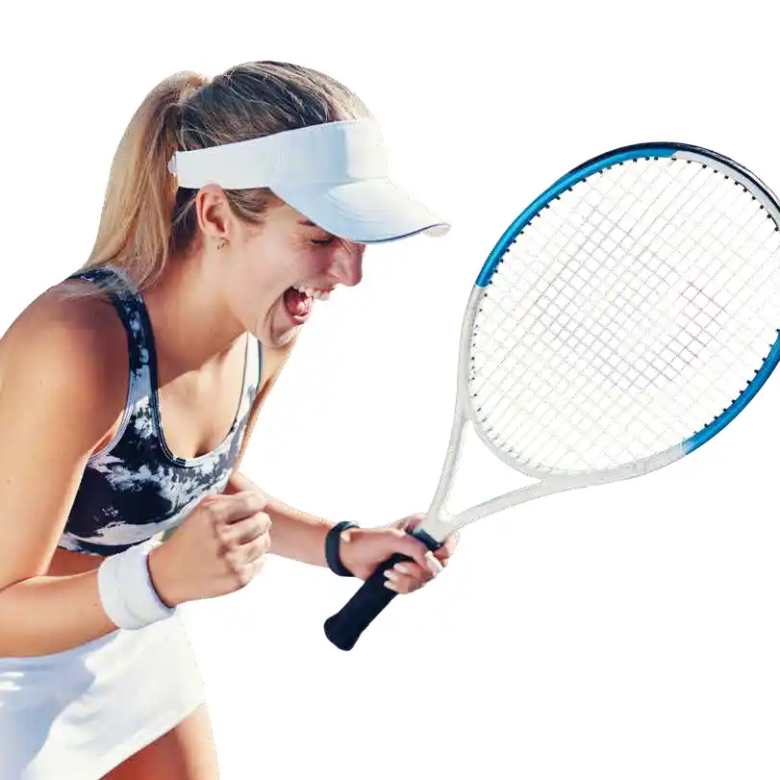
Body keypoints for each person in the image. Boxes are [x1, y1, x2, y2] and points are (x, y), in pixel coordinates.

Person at [0, 60, 458, 779]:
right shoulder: (75, 346)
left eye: (357, 237)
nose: (350, 274)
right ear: (216, 216)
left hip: (131, 640)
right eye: (320, 236)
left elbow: (189, 483)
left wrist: (339, 545)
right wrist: (157, 578)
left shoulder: (265, 330)